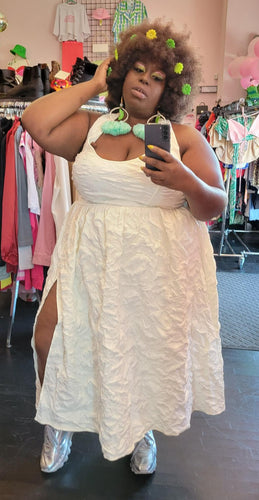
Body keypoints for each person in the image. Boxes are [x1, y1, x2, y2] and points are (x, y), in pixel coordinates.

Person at [21, 19, 227, 475]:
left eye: (157, 79)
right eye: (136, 70)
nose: (144, 82)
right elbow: (33, 120)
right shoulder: (93, 128)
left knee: (140, 350)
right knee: (48, 336)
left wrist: (184, 180)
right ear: (121, 75)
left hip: (151, 266)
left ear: (167, 92)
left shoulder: (183, 138)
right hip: (86, 256)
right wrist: (93, 84)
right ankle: (58, 422)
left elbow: (215, 204)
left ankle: (141, 430)